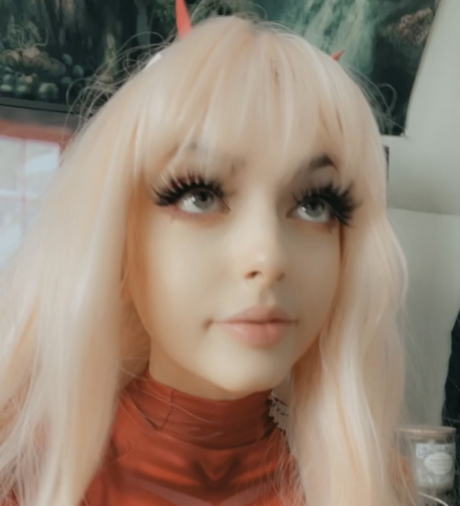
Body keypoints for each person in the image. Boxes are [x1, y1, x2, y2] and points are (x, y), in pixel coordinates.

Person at [0, 5, 409, 506]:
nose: (268, 257)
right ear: (118, 237)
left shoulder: (375, 484)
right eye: (200, 195)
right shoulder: (23, 482)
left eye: (314, 204)